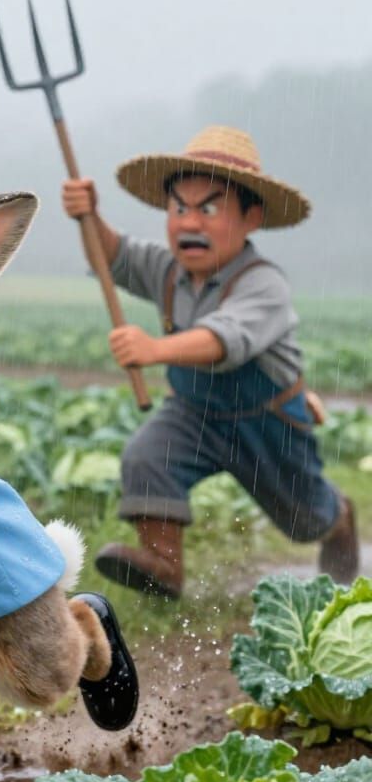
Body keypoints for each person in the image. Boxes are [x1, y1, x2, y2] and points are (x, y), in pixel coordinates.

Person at [61, 125, 360, 599]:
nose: (190, 223)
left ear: (251, 217)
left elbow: (225, 340)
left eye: (209, 208)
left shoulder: (265, 284)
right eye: (179, 208)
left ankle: (339, 518)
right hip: (196, 413)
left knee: (307, 521)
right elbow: (111, 256)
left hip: (269, 422)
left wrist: (155, 349)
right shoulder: (165, 269)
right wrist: (89, 217)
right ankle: (163, 564)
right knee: (146, 456)